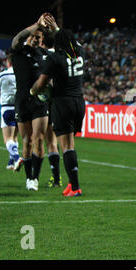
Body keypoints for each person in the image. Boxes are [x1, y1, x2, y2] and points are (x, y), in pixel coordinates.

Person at [30, 15, 85, 197]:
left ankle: (75, 187)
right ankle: (71, 184)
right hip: (79, 102)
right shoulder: (80, 53)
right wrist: (57, 28)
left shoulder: (55, 58)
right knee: (70, 144)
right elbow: (72, 41)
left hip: (63, 103)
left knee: (67, 146)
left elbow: (41, 84)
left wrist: (32, 91)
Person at [10, 13, 51, 191]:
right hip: (22, 100)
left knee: (39, 139)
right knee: (26, 141)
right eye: (33, 36)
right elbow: (17, 38)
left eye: (38, 37)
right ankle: (28, 177)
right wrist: (36, 24)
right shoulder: (18, 51)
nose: (35, 39)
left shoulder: (44, 55)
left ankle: (35, 178)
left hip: (40, 101)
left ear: (42, 39)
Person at [0, 55, 22, 170]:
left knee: (7, 138)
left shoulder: (3, 74)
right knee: (15, 137)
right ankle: (11, 162)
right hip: (20, 108)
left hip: (7, 108)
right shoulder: (22, 73)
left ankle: (17, 158)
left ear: (8, 63)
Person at [39, 32, 62, 188]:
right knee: (56, 143)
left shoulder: (42, 56)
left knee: (42, 141)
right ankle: (58, 178)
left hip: (45, 101)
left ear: (42, 43)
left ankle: (34, 177)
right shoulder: (63, 55)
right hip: (61, 102)